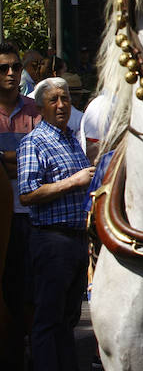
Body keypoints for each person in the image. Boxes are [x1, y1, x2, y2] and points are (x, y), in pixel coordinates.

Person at [17, 77, 95, 371]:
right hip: (51, 240)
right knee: (49, 318)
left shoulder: (71, 138)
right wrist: (73, 181)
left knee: (68, 319)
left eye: (65, 99)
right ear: (41, 108)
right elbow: (27, 194)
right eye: (54, 100)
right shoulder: (34, 143)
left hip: (75, 239)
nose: (62, 105)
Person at [0, 43, 41, 371]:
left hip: (31, 215)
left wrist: (5, 160)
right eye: (4, 69)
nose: (12, 73)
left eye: (15, 67)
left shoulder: (35, 111)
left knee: (30, 291)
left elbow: (40, 160)